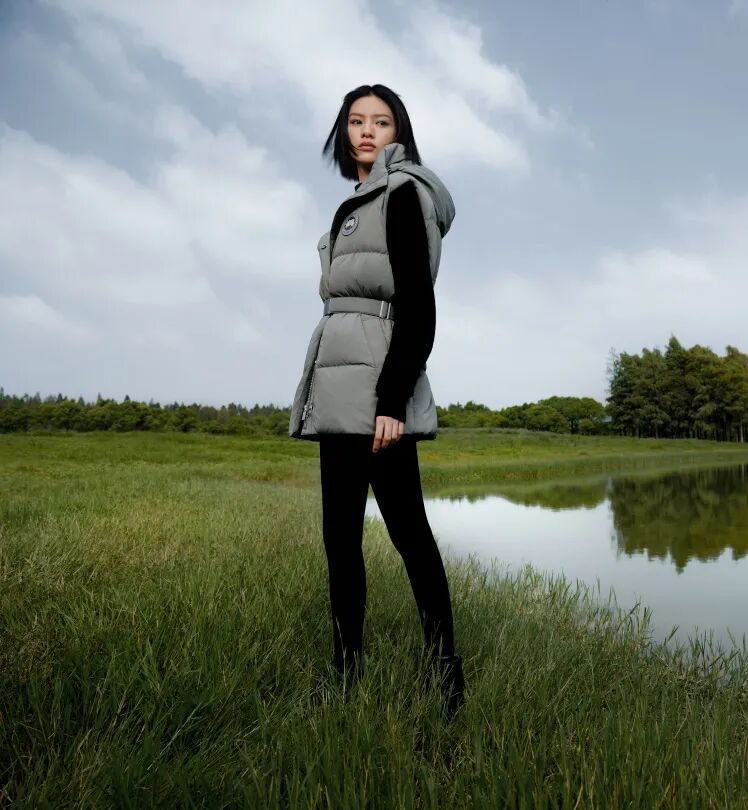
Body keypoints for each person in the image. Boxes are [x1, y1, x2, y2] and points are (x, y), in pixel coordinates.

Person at [287, 84, 464, 717]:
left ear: (399, 132)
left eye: (380, 122)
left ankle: (447, 681)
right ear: (343, 133)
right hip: (338, 392)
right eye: (356, 121)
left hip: (377, 395)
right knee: (339, 539)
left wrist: (391, 401)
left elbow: (418, 306)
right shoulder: (353, 205)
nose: (367, 131)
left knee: (409, 535)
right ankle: (344, 671)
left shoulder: (404, 194)